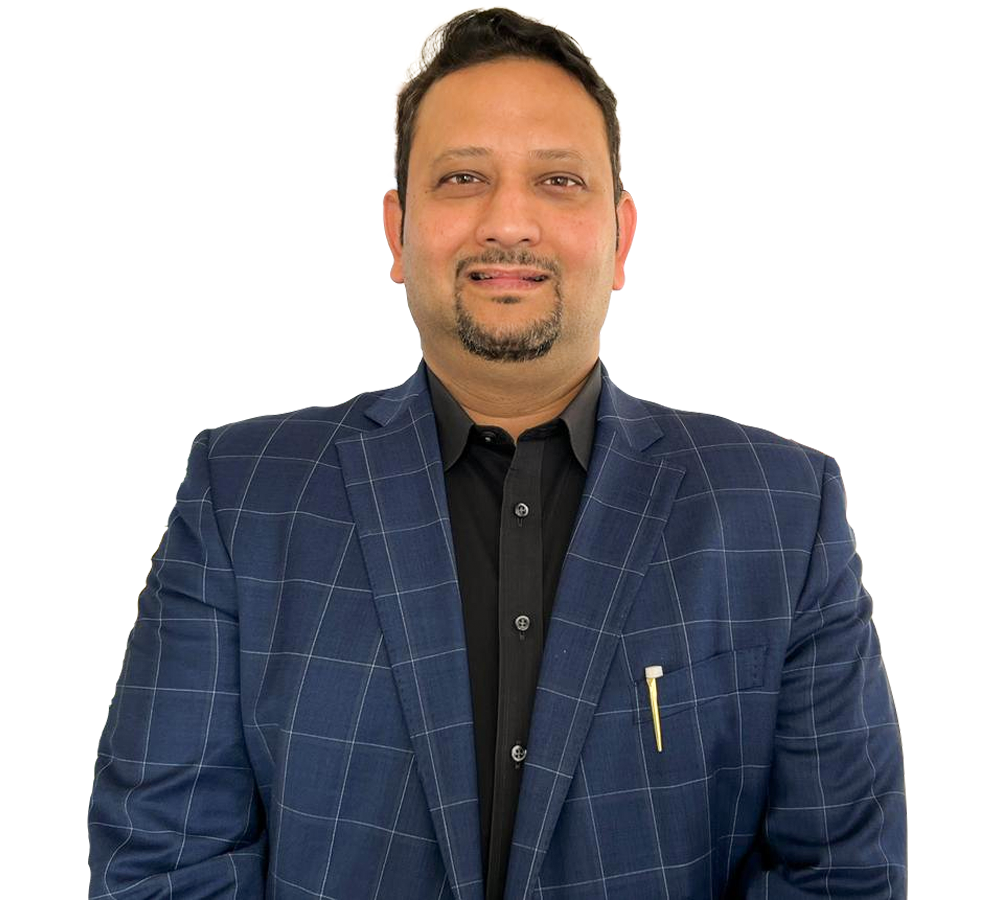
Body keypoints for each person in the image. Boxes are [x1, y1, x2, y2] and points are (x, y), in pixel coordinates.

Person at [88, 5, 906, 898]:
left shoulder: (782, 510)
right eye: (463, 177)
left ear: (623, 238)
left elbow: (841, 875)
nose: (508, 221)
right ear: (397, 232)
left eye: (558, 180)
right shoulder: (244, 492)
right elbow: (163, 864)